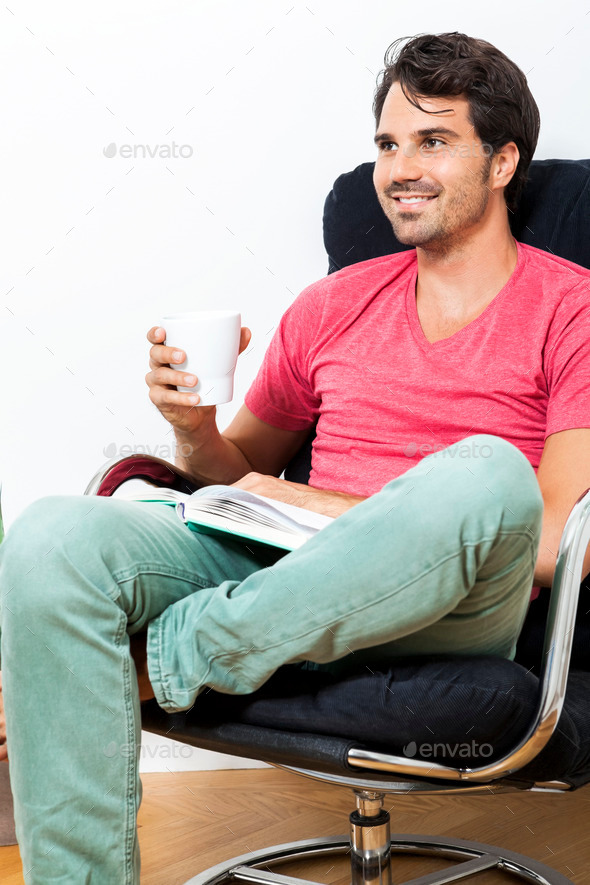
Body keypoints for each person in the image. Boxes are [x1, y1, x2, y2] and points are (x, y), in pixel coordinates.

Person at [1, 30, 590, 884]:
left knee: (488, 472)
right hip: (287, 575)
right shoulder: (332, 305)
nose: (399, 168)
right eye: (388, 143)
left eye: (433, 140)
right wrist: (195, 426)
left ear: (503, 163)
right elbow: (234, 472)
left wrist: (337, 512)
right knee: (53, 534)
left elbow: (549, 540)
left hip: (453, 598)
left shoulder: (572, 309)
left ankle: (168, 663)